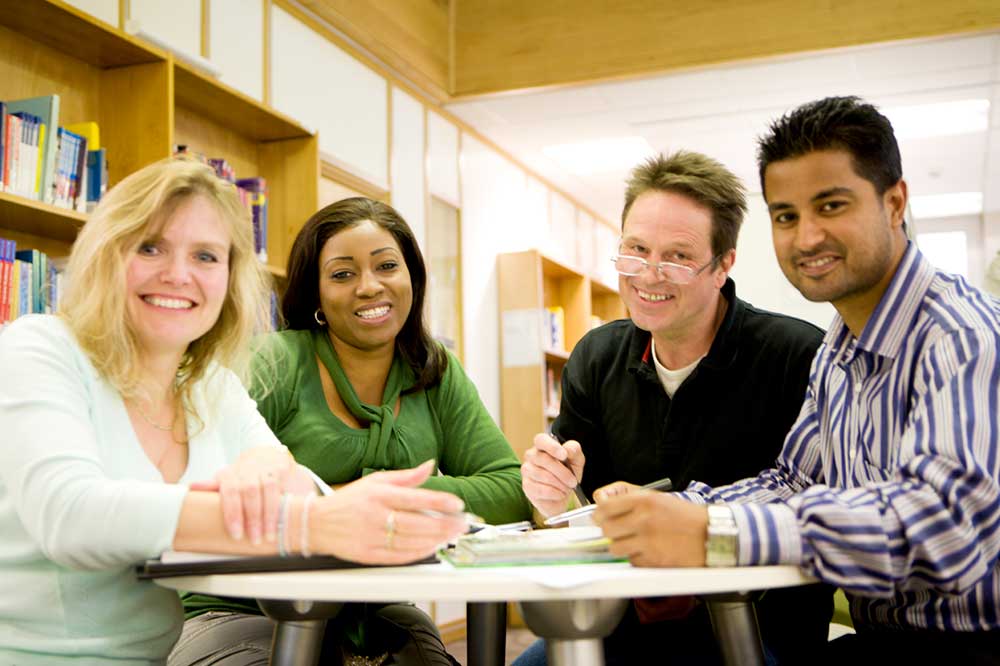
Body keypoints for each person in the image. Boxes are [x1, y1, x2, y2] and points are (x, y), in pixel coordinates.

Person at [0, 158, 470, 665]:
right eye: (150, 246)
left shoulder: (210, 386)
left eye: (205, 255)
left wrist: (270, 469)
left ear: (229, 277)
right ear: (105, 254)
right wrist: (307, 522)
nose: (178, 274)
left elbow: (298, 483)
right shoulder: (40, 346)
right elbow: (72, 516)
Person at [594, 96, 1000, 662]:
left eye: (831, 206)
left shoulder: (960, 335)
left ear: (894, 202)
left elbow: (944, 528)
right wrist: (682, 513)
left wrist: (713, 534)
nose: (806, 238)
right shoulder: (839, 347)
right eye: (786, 216)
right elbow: (794, 481)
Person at [175, 197, 531, 665]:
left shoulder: (435, 371)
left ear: (412, 279)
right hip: (243, 608)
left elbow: (508, 491)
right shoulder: (274, 362)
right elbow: (198, 497)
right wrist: (350, 508)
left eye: (387, 266)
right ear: (316, 294)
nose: (370, 287)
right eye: (342, 274)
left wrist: (377, 496)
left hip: (380, 609)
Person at [515, 151, 833, 665]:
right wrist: (551, 496)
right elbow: (576, 512)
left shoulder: (797, 356)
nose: (648, 276)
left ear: (723, 265)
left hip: (755, 624)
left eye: (678, 257)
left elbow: (815, 511)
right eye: (635, 250)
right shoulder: (596, 357)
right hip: (620, 623)